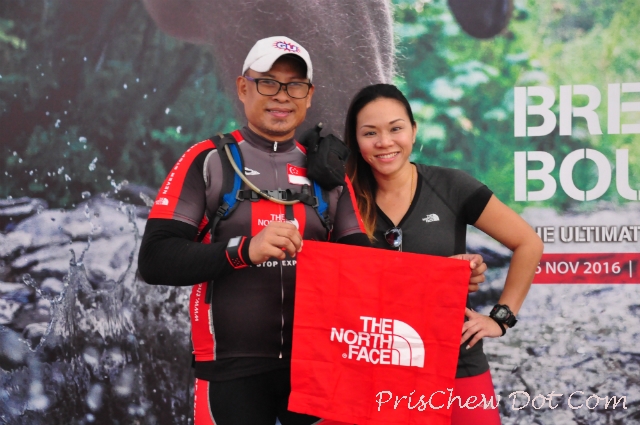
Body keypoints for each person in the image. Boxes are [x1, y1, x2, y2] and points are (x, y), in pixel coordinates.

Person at [138, 36, 370, 425]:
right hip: (230, 370)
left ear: (309, 96)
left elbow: (367, 266)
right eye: (268, 82)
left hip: (318, 368)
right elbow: (155, 259)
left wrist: (449, 277)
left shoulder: (329, 173)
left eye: (295, 85)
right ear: (243, 88)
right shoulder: (209, 160)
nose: (282, 95)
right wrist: (243, 250)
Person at [344, 83, 544, 425]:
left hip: (455, 358)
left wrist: (501, 318)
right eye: (370, 133)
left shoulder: (451, 186)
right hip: (377, 363)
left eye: (395, 128)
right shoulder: (344, 200)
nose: (384, 142)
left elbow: (528, 243)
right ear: (356, 140)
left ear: (413, 130)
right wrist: (433, 274)